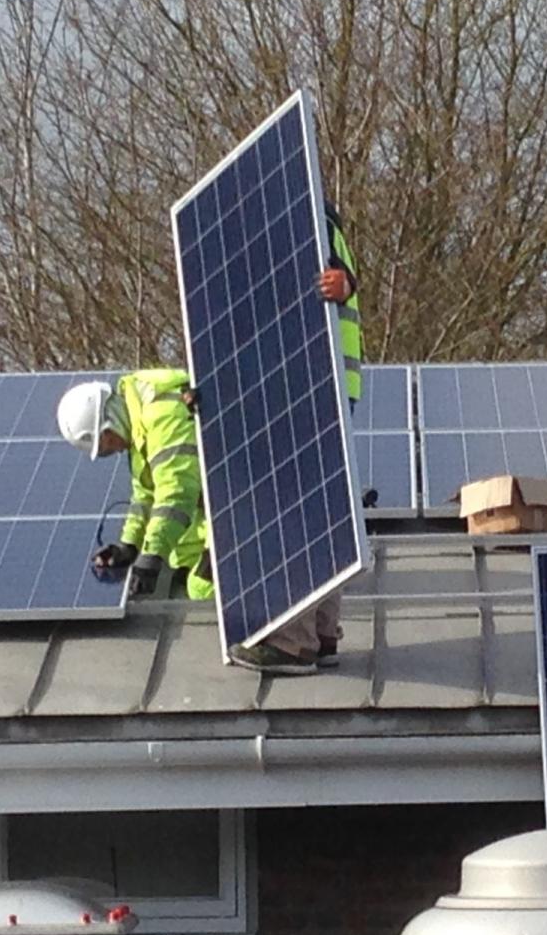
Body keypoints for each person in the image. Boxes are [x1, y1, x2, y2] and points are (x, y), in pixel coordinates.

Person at [223, 200, 361, 675]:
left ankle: (290, 639)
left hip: (309, 386)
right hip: (327, 384)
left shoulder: (295, 219)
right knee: (321, 508)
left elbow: (332, 285)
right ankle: (322, 633)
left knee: (290, 511)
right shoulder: (317, 218)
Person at [57, 370, 211, 602]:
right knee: (182, 559)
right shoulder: (137, 425)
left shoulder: (162, 414)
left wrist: (152, 554)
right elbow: (145, 494)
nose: (117, 449)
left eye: (108, 441)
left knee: (202, 589)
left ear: (111, 419)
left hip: (244, 501)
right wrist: (128, 545)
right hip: (213, 511)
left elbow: (177, 492)